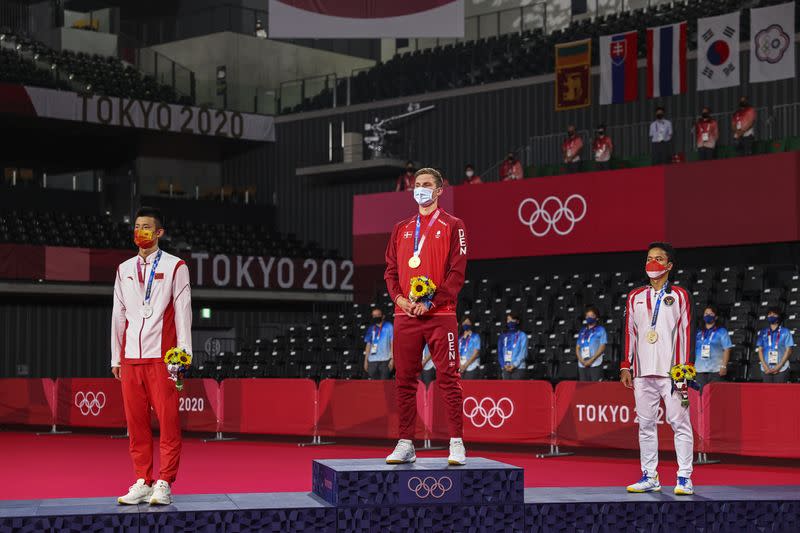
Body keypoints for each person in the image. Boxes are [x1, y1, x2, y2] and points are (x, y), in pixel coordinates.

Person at [384, 167, 468, 465]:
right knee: (404, 381)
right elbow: (391, 272)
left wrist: (431, 303)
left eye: (427, 184)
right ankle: (406, 442)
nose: (420, 189)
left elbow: (457, 274)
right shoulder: (401, 228)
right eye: (417, 184)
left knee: (449, 377)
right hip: (405, 314)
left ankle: (456, 442)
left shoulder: (453, 225)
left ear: (439, 190)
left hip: (440, 314)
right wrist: (399, 299)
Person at [112, 207, 192, 506]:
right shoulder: (123, 269)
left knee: (169, 422)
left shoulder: (175, 266)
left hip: (164, 357)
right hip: (131, 357)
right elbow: (118, 315)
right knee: (136, 424)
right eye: (136, 226)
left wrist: (183, 356)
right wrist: (115, 358)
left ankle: (164, 481)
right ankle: (143, 480)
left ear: (159, 232)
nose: (140, 231)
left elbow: (183, 312)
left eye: (146, 227)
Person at [621, 242, 694, 496]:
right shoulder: (635, 297)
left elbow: (686, 333)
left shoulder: (680, 295)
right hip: (642, 372)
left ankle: (684, 477)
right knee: (645, 425)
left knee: (680, 423)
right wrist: (625, 365)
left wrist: (685, 370)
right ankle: (649, 475)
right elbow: (629, 332)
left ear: (669, 265)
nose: (653, 263)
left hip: (672, 373)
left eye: (659, 259)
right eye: (650, 258)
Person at [694, 305, 733, 390]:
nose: (708, 315)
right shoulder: (698, 332)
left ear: (716, 317)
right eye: (706, 313)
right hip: (700, 370)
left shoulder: (722, 331)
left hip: (716, 370)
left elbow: (727, 349)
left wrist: (724, 366)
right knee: (700, 395)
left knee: (714, 396)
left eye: (711, 314)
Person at [755, 307, 794, 383]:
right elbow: (760, 350)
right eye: (769, 314)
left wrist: (779, 366)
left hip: (781, 368)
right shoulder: (763, 332)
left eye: (774, 314)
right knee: (767, 393)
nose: (771, 316)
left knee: (779, 393)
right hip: (766, 368)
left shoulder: (785, 332)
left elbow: (789, 350)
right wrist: (765, 366)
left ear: (779, 317)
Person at [575, 305, 607, 381]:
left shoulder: (601, 330)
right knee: (583, 389)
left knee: (595, 388)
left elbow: (602, 347)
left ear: (597, 317)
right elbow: (577, 347)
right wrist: (581, 360)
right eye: (587, 316)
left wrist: (591, 360)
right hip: (582, 364)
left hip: (595, 363)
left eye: (592, 315)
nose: (589, 317)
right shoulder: (582, 331)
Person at [362, 307, 394, 379]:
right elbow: (368, 344)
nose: (376, 317)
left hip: (385, 360)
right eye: (374, 315)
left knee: (384, 384)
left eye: (378, 315)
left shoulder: (389, 326)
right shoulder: (371, 328)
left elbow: (392, 342)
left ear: (383, 316)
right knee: (374, 385)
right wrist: (366, 360)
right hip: (372, 361)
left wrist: (392, 359)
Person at [497, 312, 527, 379]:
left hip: (519, 368)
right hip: (506, 368)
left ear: (517, 321)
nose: (510, 321)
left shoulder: (522, 335)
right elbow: (500, 352)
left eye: (512, 319)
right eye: (508, 320)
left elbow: (523, 353)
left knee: (516, 389)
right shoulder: (502, 336)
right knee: (506, 389)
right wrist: (504, 365)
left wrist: (514, 365)